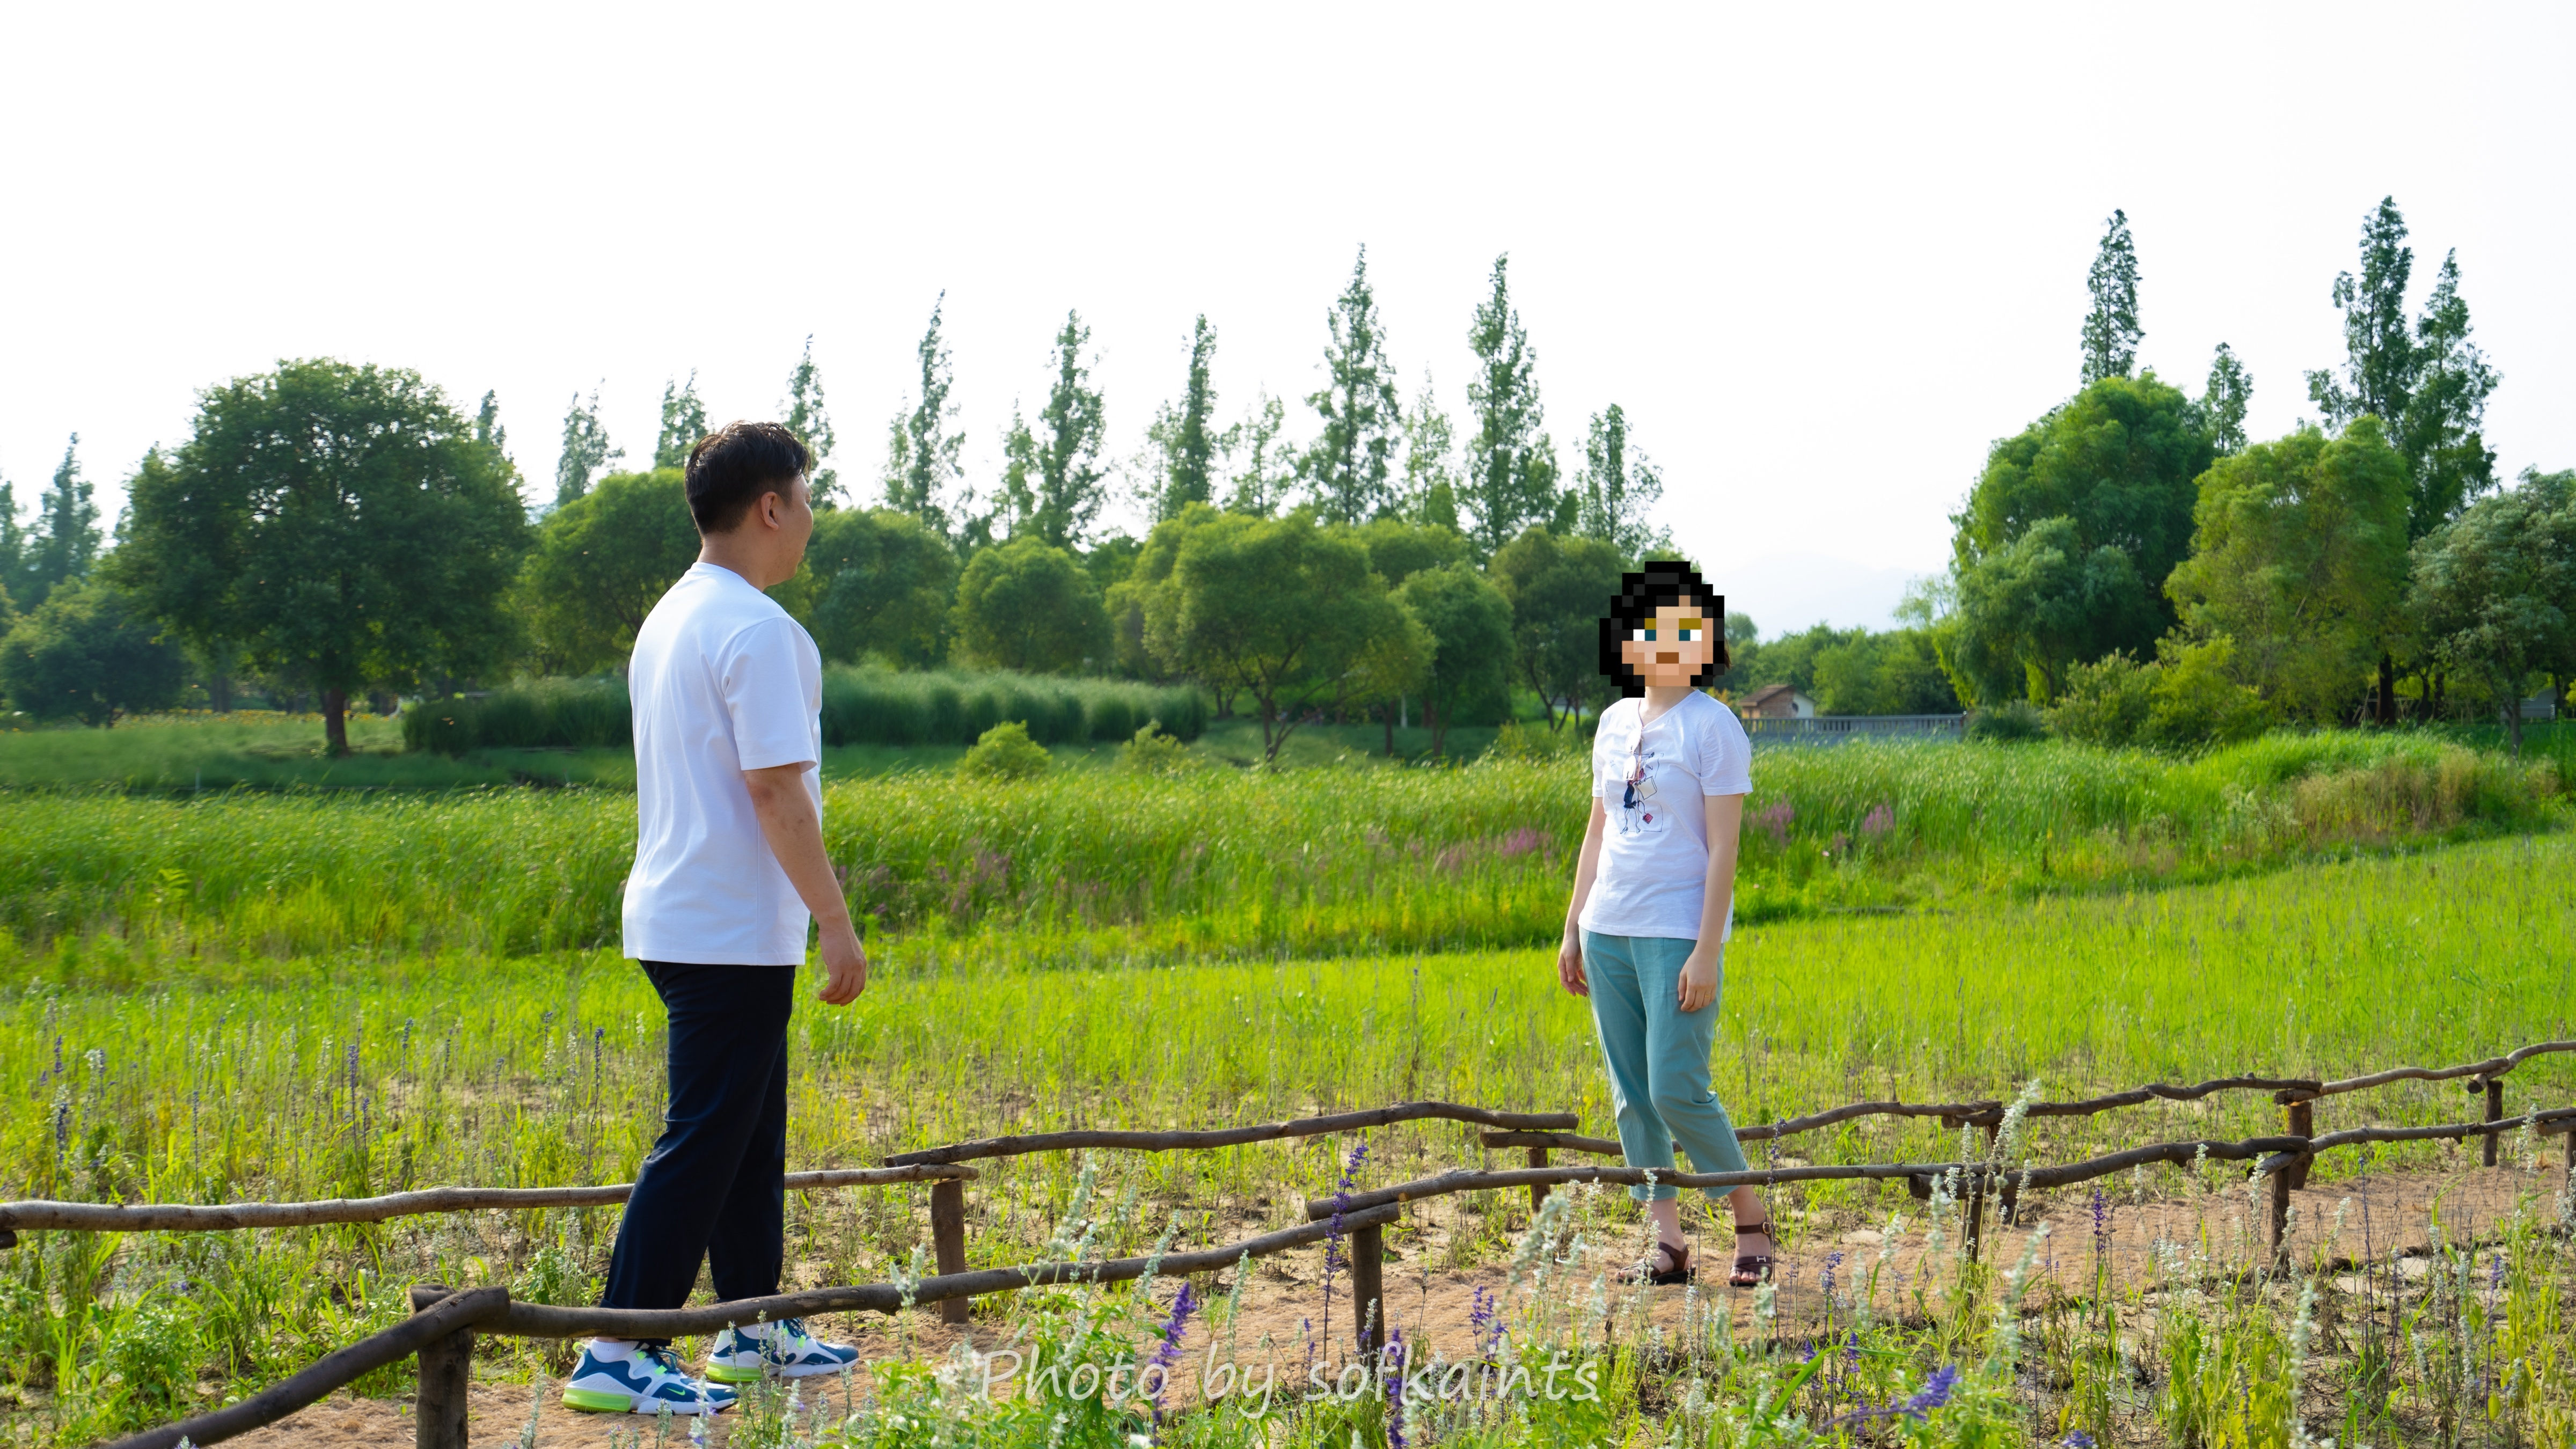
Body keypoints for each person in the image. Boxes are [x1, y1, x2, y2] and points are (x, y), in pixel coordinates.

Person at [562, 422, 870, 1416]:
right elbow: (775, 790)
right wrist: (835, 920)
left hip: (685, 913)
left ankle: (752, 1324)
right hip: (727, 925)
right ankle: (619, 1347)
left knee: (745, 1131)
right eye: (807, 500)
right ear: (770, 507)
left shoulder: (673, 616)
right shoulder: (758, 630)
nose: (812, 521)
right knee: (704, 1138)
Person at [1555, 562, 1773, 1289]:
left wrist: (1708, 949)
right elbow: (1597, 833)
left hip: (1678, 930)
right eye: (1655, 629)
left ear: (1705, 642)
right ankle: (1668, 1243)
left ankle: (1750, 1218)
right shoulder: (1614, 722)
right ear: (1630, 640)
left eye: (1688, 629)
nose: (1671, 642)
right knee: (1632, 1096)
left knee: (1676, 1086)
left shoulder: (1714, 727)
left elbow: (1725, 849)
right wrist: (1574, 927)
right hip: (1609, 927)